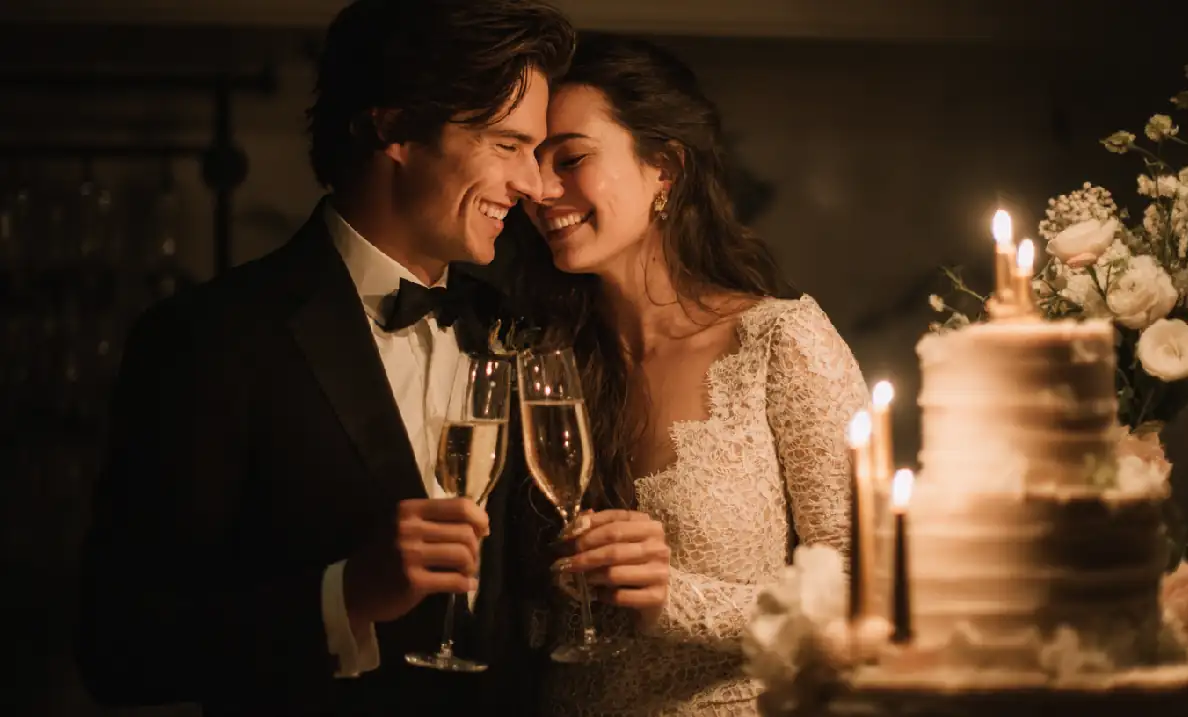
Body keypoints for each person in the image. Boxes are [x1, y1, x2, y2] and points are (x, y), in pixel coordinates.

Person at [75, 2, 577, 715]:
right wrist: (344, 596)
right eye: (507, 145)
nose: (534, 184)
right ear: (394, 128)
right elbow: (119, 649)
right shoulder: (210, 337)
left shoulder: (515, 326)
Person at [509, 34, 868, 716]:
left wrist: (674, 598)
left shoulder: (780, 342)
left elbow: (866, 594)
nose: (542, 190)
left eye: (572, 159)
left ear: (665, 169)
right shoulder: (540, 358)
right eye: (532, 164)